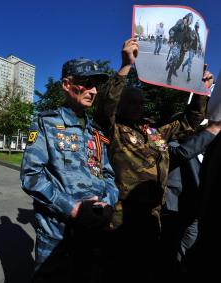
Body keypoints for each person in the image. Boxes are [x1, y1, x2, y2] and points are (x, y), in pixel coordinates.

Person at [94, 38, 213, 281]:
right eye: (132, 102)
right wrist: (126, 66)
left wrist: (202, 90)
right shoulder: (113, 128)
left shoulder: (153, 131)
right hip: (121, 218)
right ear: (122, 104)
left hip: (152, 217)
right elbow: (105, 105)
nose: (139, 107)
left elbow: (189, 123)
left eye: (141, 102)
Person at [21, 58, 122, 282]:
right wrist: (72, 208)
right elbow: (31, 176)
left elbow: (109, 175)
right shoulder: (45, 123)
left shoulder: (95, 132)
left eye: (96, 84)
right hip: (58, 235)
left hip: (95, 232)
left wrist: (108, 203)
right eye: (86, 82)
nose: (94, 90)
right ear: (67, 84)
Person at [161, 120, 221, 279]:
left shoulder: (212, 149)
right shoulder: (174, 144)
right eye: (203, 128)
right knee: (170, 250)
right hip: (176, 208)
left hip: (197, 208)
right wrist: (213, 129)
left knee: (188, 248)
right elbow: (182, 153)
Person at [166, 13, 194, 85]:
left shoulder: (188, 29)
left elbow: (188, 38)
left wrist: (189, 41)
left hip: (181, 47)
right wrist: (171, 40)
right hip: (175, 43)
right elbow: (172, 30)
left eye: (191, 20)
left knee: (175, 59)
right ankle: (169, 78)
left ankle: (169, 63)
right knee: (175, 58)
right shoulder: (180, 22)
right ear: (187, 18)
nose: (190, 21)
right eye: (190, 19)